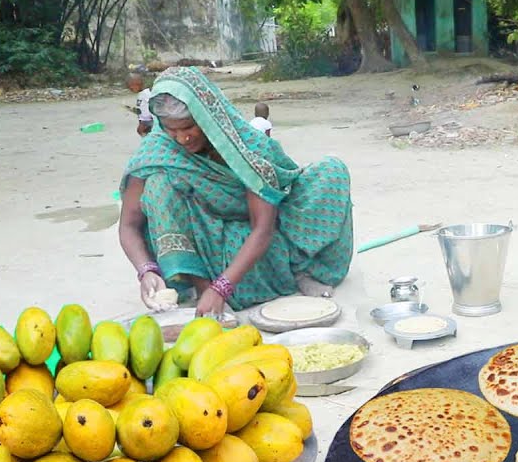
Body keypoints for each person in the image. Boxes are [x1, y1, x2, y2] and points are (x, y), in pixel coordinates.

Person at [118, 67, 353, 317]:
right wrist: (147, 270)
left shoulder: (244, 146)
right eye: (171, 130)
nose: (182, 139)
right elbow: (129, 226)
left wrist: (223, 287)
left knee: (332, 171)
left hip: (265, 235)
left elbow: (262, 228)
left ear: (206, 118)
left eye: (188, 128)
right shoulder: (158, 150)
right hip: (208, 240)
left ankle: (300, 270)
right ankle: (202, 287)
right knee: (157, 184)